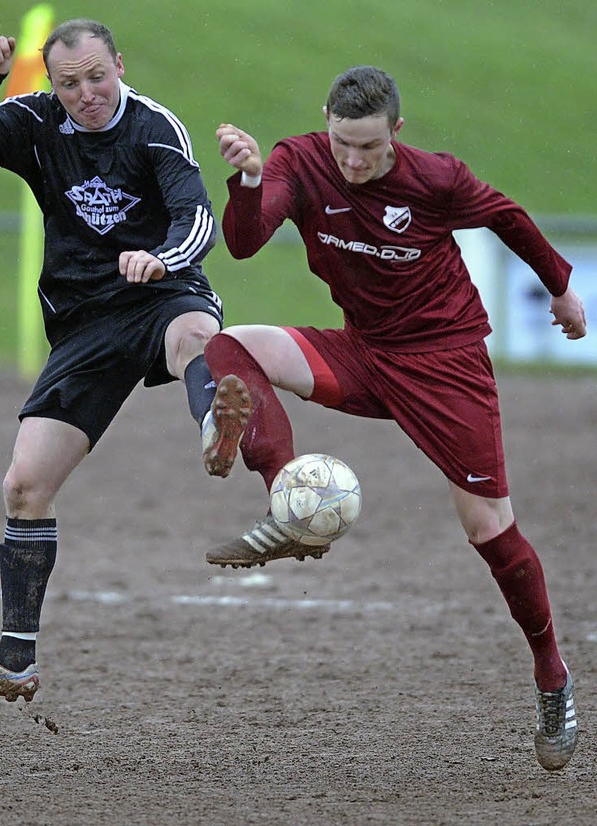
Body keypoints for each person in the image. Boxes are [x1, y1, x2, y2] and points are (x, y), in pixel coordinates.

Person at [203, 66, 586, 771]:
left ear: (396, 135)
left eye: (369, 149)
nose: (352, 161)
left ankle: (552, 676)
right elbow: (246, 241)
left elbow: (505, 215)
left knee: (489, 530)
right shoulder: (301, 160)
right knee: (227, 346)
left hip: (445, 364)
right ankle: (286, 498)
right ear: (326, 121)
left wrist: (561, 288)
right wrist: (251, 180)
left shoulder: (435, 180)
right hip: (364, 352)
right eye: (342, 143)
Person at [0, 19, 249, 704]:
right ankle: (16, 658)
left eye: (97, 76)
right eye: (69, 84)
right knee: (25, 486)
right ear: (53, 86)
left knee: (194, 338)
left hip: (160, 292)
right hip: (84, 323)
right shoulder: (34, 124)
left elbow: (196, 216)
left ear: (118, 63)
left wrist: (163, 259)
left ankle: (216, 424)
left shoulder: (152, 127)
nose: (87, 93)